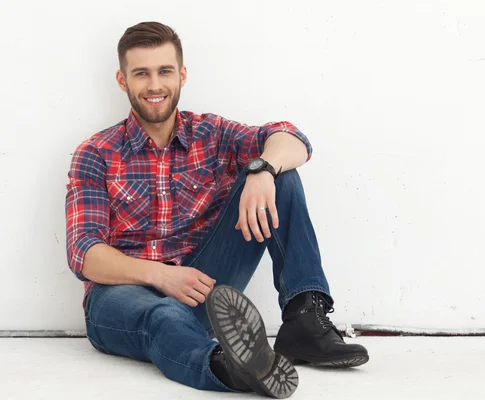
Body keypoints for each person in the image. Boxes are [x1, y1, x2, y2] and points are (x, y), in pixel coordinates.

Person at [65, 21, 368, 398]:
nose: (154, 85)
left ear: (182, 75)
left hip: (201, 285)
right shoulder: (96, 153)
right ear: (122, 80)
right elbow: (84, 254)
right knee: (162, 315)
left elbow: (293, 139)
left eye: (165, 71)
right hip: (122, 296)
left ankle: (304, 321)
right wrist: (161, 276)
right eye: (141, 73)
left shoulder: (212, 134)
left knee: (280, 177)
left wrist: (262, 169)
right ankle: (228, 367)